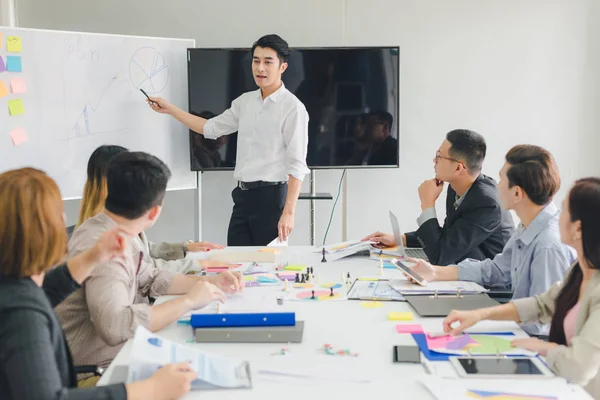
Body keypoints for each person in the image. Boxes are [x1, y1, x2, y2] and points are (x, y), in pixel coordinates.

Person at [0, 167, 196, 400]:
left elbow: (46, 292)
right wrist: (149, 390)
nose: (64, 220)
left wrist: (94, 256)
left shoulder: (14, 284)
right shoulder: (22, 315)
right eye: (57, 214)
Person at [56, 152, 242, 369]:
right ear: (155, 212)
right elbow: (114, 326)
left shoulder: (113, 229)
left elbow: (151, 277)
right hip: (91, 371)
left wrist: (212, 282)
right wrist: (188, 302)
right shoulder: (106, 248)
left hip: (110, 355)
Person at [442, 177, 600, 399]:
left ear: (579, 229)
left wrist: (544, 348)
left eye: (564, 210)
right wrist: (479, 314)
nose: (557, 215)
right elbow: (541, 304)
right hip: (560, 382)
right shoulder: (579, 271)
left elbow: (578, 367)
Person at [148, 34, 310, 246]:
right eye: (256, 61)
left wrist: (289, 213)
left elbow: (297, 164)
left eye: (268, 62)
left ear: (282, 67)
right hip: (242, 198)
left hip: (272, 199)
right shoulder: (245, 102)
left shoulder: (292, 108)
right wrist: (170, 110)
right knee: (236, 262)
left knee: (268, 269)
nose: (260, 68)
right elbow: (210, 128)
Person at [405, 145, 576, 335]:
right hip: (518, 329)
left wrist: (483, 318)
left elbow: (540, 323)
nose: (497, 185)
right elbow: (495, 270)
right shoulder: (528, 227)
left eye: (502, 179)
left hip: (533, 342)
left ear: (518, 193)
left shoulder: (548, 246)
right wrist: (435, 272)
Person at [363, 129, 514, 265]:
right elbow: (448, 237)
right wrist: (400, 239)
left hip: (492, 288)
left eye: (439, 156)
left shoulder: (486, 202)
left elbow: (441, 255)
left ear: (458, 167)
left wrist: (427, 204)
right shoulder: (456, 188)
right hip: (464, 268)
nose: (434, 160)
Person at [77, 144, 225, 273]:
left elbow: (143, 249)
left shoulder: (114, 214)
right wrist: (197, 264)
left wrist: (184, 247)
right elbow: (146, 269)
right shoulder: (103, 230)